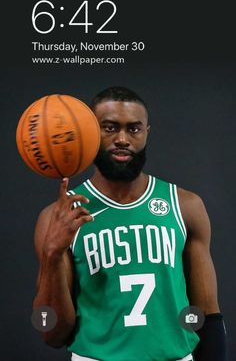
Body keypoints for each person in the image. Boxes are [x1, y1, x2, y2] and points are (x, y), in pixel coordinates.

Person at [33, 86, 227, 361]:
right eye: (109, 128)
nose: (122, 139)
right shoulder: (60, 216)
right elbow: (52, 333)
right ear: (89, 131)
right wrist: (52, 254)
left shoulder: (185, 206)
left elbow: (208, 314)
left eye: (134, 129)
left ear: (147, 132)